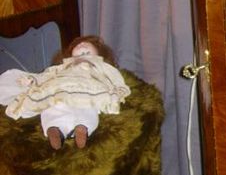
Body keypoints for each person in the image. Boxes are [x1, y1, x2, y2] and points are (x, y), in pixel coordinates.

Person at [0, 36, 130, 149]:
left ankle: (82, 127)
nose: (82, 44)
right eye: (78, 48)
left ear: (99, 55)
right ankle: (54, 128)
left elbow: (115, 77)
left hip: (86, 91)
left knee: (88, 108)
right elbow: (45, 76)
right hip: (59, 90)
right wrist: (32, 81)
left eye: (87, 48)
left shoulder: (101, 66)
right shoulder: (62, 67)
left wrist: (118, 91)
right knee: (51, 106)